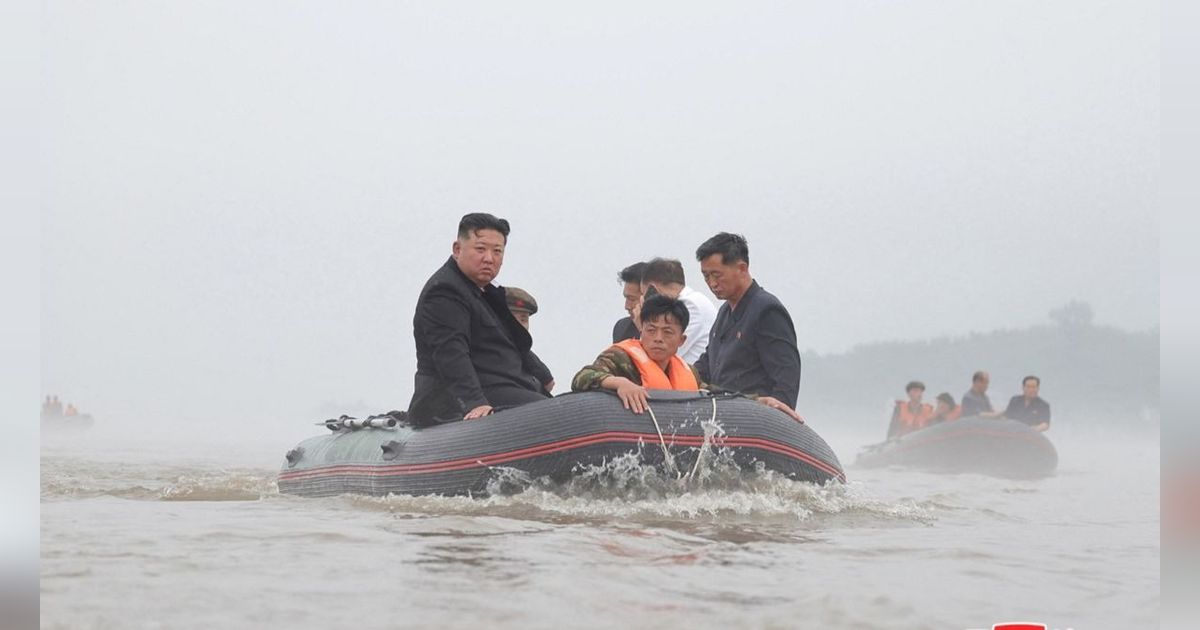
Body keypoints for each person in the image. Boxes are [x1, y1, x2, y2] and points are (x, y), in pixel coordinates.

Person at [408, 213, 552, 426]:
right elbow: (450, 353)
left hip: (505, 385)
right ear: (458, 249)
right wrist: (474, 402)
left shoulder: (485, 293)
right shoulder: (444, 292)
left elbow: (510, 339)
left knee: (567, 409)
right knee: (546, 414)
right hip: (455, 400)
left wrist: (542, 375)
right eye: (480, 249)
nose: (489, 258)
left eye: (497, 252)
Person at [572, 294, 801, 421]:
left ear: (681, 341)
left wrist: (760, 401)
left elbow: (714, 394)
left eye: (667, 332)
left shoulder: (687, 372)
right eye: (651, 330)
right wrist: (620, 383)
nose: (658, 338)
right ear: (641, 332)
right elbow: (583, 377)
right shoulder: (621, 357)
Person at [692, 232, 801, 408]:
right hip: (722, 416)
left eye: (717, 275)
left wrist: (780, 419)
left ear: (742, 269)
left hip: (754, 420)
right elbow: (706, 366)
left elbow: (785, 379)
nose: (712, 283)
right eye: (706, 276)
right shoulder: (724, 312)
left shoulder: (767, 310)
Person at [638, 258, 717, 363]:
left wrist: (642, 323)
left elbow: (658, 354)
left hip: (692, 375)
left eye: (645, 295)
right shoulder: (695, 300)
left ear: (652, 289)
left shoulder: (690, 304)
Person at [505, 286, 555, 393]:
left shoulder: (526, 357)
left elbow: (549, 383)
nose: (519, 325)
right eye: (511, 318)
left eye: (523, 319)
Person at [612, 262, 645, 343]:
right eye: (626, 298)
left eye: (632, 299)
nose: (627, 306)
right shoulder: (621, 328)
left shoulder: (672, 331)